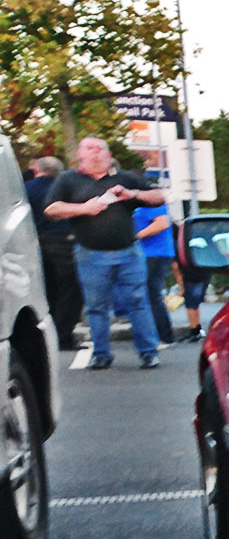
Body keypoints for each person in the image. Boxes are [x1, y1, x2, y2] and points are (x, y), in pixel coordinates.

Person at [42, 137, 165, 369]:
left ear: (109, 156)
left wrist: (133, 194)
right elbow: (51, 209)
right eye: (90, 148)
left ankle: (149, 352)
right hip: (91, 254)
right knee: (96, 307)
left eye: (100, 149)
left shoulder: (124, 178)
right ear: (79, 154)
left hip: (129, 252)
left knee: (138, 302)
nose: (96, 153)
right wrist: (83, 209)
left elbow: (159, 197)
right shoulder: (68, 179)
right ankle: (101, 354)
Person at [23, 156, 84, 350]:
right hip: (65, 242)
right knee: (70, 290)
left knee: (46, 290)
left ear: (36, 170)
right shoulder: (66, 188)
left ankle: (44, 336)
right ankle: (63, 335)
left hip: (37, 243)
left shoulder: (27, 188)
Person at [132, 201, 180, 346]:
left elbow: (162, 223)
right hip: (146, 253)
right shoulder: (136, 203)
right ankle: (157, 334)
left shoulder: (152, 201)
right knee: (147, 294)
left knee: (151, 294)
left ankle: (164, 335)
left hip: (155, 253)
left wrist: (134, 237)